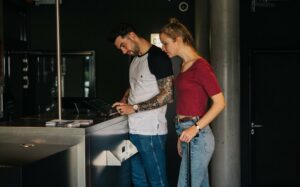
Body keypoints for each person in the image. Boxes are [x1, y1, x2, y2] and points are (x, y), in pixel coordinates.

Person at [159, 18, 226, 187]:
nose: (163, 48)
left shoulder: (201, 66)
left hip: (198, 136)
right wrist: (182, 135)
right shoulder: (184, 65)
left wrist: (194, 128)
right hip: (187, 133)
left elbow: (220, 103)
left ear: (179, 40)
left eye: (165, 43)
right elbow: (186, 104)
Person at [109, 23, 174, 187]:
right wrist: (124, 99)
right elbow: (135, 86)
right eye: (120, 49)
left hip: (151, 133)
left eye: (123, 46)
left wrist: (134, 108)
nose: (123, 51)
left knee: (157, 181)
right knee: (138, 180)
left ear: (131, 36)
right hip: (134, 130)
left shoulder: (158, 57)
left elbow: (167, 95)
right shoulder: (135, 62)